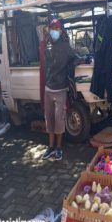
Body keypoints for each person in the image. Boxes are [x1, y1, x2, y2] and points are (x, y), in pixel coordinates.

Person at [42, 19, 79, 161]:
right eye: (52, 28)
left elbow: (76, 58)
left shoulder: (65, 47)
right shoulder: (47, 48)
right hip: (48, 89)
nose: (54, 31)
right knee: (49, 120)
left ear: (61, 30)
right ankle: (50, 147)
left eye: (56, 28)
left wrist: (69, 68)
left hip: (60, 90)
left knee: (59, 120)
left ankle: (58, 148)